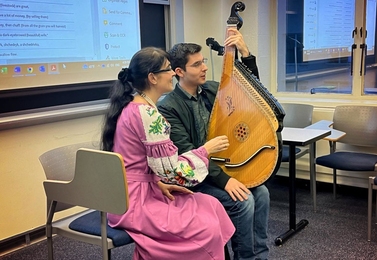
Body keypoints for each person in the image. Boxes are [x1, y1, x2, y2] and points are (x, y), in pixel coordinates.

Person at [101, 47, 235, 260]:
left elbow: (143, 167)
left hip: (133, 194)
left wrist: (157, 183)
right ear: (152, 77)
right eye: (168, 69)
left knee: (210, 204)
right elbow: (173, 172)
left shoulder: (133, 107)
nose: (173, 73)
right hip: (135, 204)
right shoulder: (147, 114)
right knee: (205, 225)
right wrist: (206, 150)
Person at [158, 28, 270, 260]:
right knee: (244, 201)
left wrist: (245, 53)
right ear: (179, 71)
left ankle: (260, 256)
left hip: (224, 167)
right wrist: (225, 180)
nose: (204, 67)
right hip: (196, 177)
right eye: (197, 64)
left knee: (262, 194)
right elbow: (187, 152)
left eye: (203, 62)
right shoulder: (168, 107)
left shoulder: (210, 90)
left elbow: (253, 91)